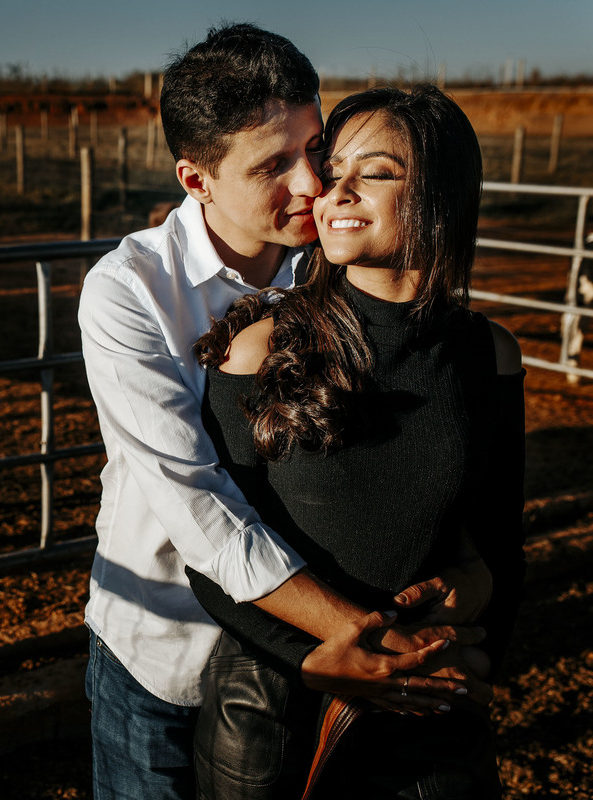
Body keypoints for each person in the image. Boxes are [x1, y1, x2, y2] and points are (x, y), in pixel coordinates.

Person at [79, 24, 488, 800]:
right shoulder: (128, 291)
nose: (312, 186)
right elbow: (195, 499)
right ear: (196, 180)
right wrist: (353, 635)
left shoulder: (341, 258)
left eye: (316, 151)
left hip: (310, 663)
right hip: (172, 647)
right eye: (273, 165)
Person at [187, 84, 526, 798]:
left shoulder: (488, 354)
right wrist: (313, 658)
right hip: (280, 702)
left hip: (425, 694)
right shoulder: (258, 350)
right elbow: (212, 548)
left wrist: (476, 610)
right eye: (333, 169)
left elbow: (497, 536)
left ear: (440, 193)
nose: (334, 191)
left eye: (373, 172)